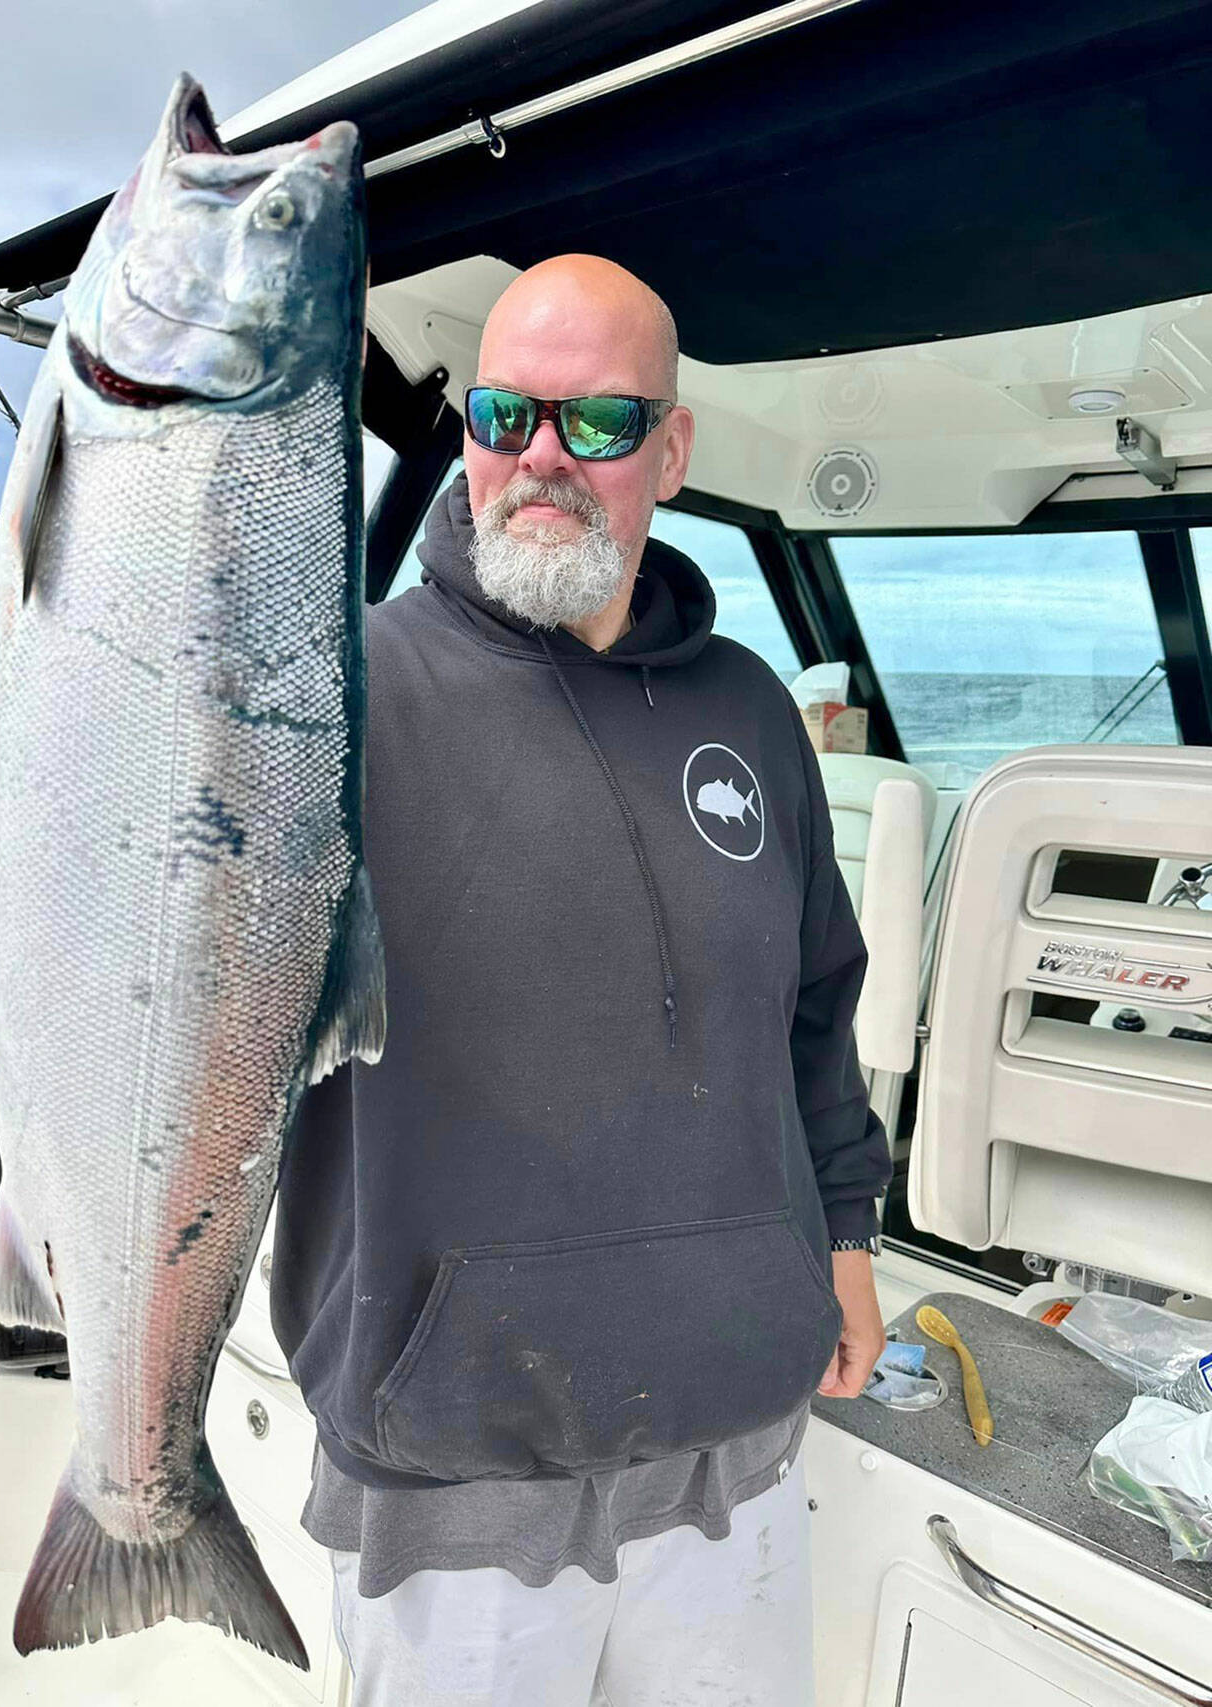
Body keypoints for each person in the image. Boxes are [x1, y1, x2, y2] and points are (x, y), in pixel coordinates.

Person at [271, 253, 894, 1707]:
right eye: (503, 416)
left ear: (671, 450)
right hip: (455, 1482)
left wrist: (846, 1237)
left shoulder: (753, 709)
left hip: (738, 1456)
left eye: (597, 425)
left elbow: (814, 1005)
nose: (541, 458)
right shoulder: (333, 706)